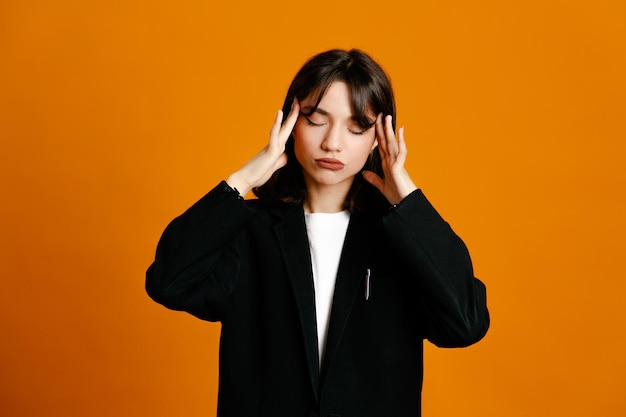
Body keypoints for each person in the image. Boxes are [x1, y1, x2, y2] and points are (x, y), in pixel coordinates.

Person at [146, 49, 489, 417]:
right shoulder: (249, 232)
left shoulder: (400, 238)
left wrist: (406, 199)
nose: (333, 143)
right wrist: (242, 179)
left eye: (357, 127)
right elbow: (168, 281)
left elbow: (466, 325)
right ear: (290, 123)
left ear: (379, 138)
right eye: (315, 120)